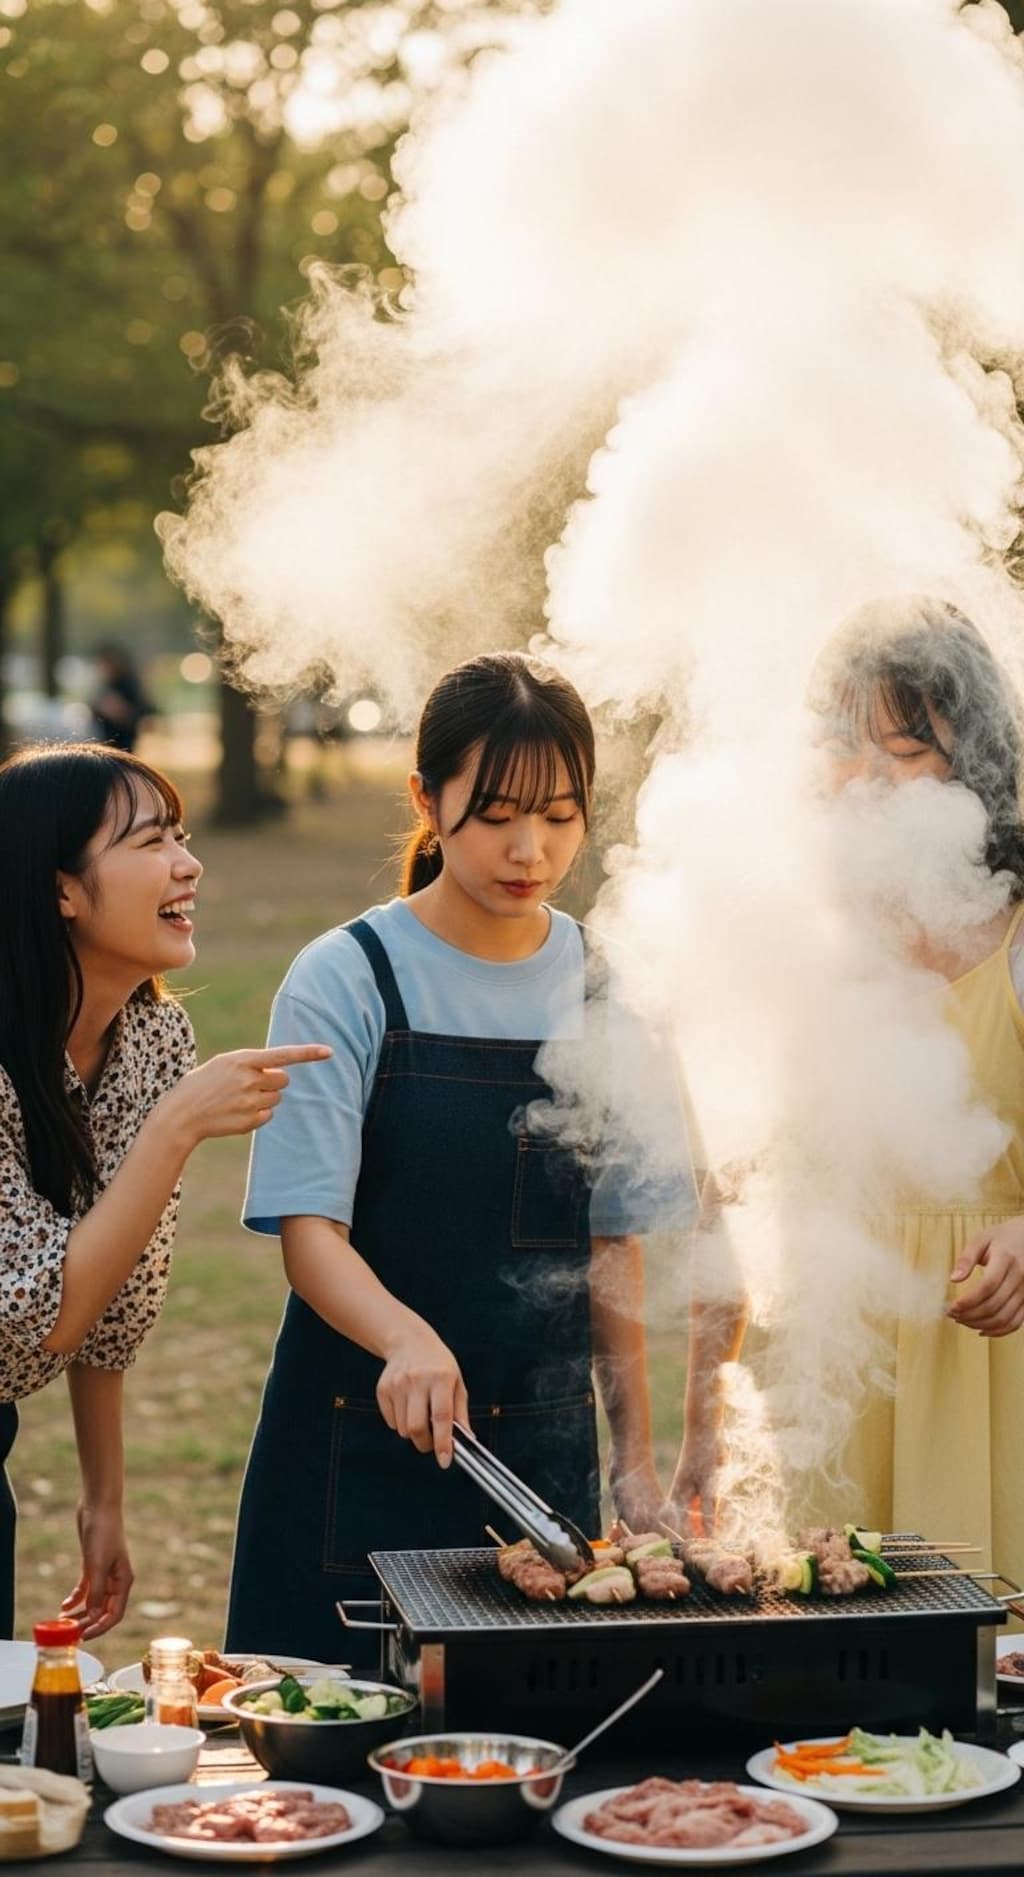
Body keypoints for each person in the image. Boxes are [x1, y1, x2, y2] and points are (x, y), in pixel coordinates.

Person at [227, 651, 696, 1662]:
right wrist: (402, 1336)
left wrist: (636, 1463)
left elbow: (613, 1245)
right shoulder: (345, 978)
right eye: (495, 815)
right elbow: (311, 1235)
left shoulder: (612, 989)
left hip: (542, 1466)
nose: (531, 847)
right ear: (426, 800)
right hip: (352, 1456)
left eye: (561, 814)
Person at [680, 599, 1024, 1581]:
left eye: (905, 747)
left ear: (973, 761)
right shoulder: (792, 931)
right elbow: (731, 1197)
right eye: (842, 742)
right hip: (829, 1361)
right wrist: (702, 1426)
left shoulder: (1016, 933)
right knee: (825, 1678)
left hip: (994, 1370)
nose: (866, 777)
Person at [0, 743, 331, 1640]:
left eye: (182, 836)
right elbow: (43, 1312)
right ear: (62, 886)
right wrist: (177, 1126)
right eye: (150, 841)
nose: (188, 863)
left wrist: (103, 1497)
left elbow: (112, 1303)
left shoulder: (150, 1038)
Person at [90, 644, 155, 753]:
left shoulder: (128, 685)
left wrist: (122, 712)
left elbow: (144, 712)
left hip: (123, 742)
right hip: (106, 741)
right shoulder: (107, 685)